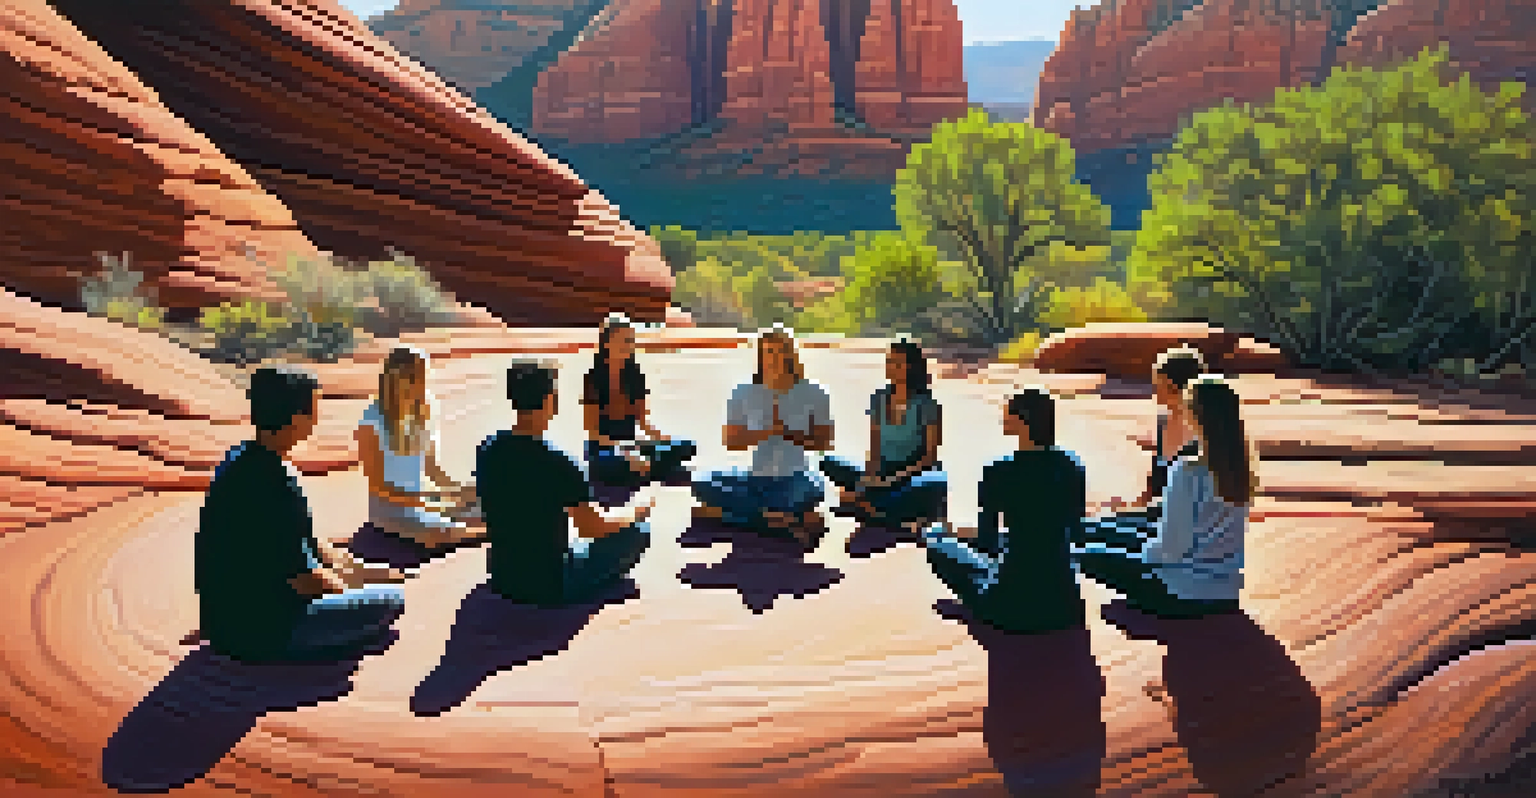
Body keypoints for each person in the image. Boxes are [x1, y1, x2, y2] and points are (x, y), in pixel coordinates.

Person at [194, 366, 407, 663]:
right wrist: (350, 593)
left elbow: (306, 541)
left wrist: (363, 572)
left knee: (378, 586)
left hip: (222, 624)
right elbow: (305, 580)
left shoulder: (237, 459)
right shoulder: (277, 483)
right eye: (314, 411)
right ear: (296, 419)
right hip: (268, 634)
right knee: (392, 602)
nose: (317, 421)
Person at [475, 361, 653, 607]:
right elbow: (593, 528)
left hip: (502, 577)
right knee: (639, 531)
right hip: (552, 583)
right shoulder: (560, 462)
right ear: (551, 400)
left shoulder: (488, 449)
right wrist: (636, 511)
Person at [1075, 376, 1254, 619]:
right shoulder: (1241, 467)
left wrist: (1139, 553)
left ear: (1194, 416)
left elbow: (1172, 549)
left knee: (1088, 554)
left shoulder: (1190, 469)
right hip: (1225, 590)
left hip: (1180, 591)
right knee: (1115, 531)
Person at [922, 388, 1088, 635]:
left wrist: (958, 533)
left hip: (1010, 607)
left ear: (1022, 422)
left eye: (1008, 413)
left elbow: (986, 542)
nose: (1003, 418)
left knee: (937, 541)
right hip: (1065, 605)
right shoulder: (1072, 466)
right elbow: (1075, 531)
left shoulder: (997, 471)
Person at [692, 326, 833, 550]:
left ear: (790, 356)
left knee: (810, 491)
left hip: (796, 477)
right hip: (756, 478)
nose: (773, 359)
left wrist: (789, 434)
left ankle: (732, 515)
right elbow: (731, 441)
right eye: (768, 352)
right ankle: (779, 519)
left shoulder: (814, 393)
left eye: (779, 352)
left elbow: (825, 443)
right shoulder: (744, 392)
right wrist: (765, 433)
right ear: (760, 356)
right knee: (701, 482)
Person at [1076, 346, 1206, 554]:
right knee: (1083, 528)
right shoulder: (1164, 422)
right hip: (1154, 519)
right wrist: (1129, 507)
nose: (1155, 391)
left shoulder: (1203, 433)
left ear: (1174, 387)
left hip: (1176, 532)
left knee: (1083, 536)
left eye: (1159, 385)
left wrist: (1132, 514)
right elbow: (1153, 485)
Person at [356, 346, 478, 549]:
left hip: (423, 503)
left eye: (424, 376)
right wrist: (431, 501)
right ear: (397, 380)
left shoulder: (423, 413)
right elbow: (378, 486)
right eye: (416, 377)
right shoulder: (372, 420)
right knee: (443, 532)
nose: (422, 384)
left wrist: (459, 491)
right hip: (390, 511)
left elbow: (432, 470)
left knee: (481, 507)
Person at [821, 339, 947, 530]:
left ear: (911, 367)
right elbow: (874, 447)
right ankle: (882, 508)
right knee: (829, 462)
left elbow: (929, 458)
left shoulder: (927, 405)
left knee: (934, 484)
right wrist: (869, 479)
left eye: (897, 363)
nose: (891, 367)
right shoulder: (879, 398)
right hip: (883, 470)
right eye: (889, 362)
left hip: (913, 473)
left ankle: (873, 506)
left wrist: (891, 480)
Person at [582, 313, 697, 488]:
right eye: (623, 340)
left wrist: (662, 439)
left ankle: (641, 469)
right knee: (605, 465)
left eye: (630, 341)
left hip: (633, 444)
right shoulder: (594, 378)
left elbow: (643, 423)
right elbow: (592, 432)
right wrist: (624, 450)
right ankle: (647, 468)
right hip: (604, 447)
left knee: (687, 446)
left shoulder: (635, 376)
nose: (628, 346)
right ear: (607, 343)